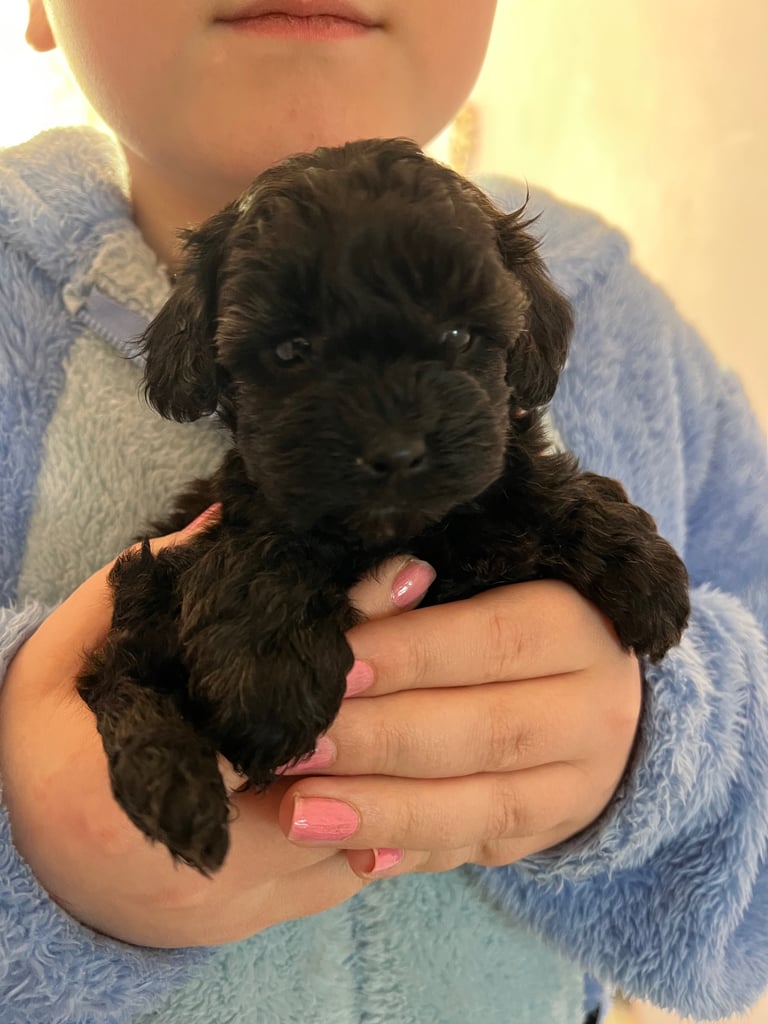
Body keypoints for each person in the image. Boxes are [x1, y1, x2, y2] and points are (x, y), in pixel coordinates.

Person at [0, 2, 766, 1022]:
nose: (395, 435)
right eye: (297, 356)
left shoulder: (639, 342)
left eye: (456, 342)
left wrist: (666, 756)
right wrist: (29, 838)